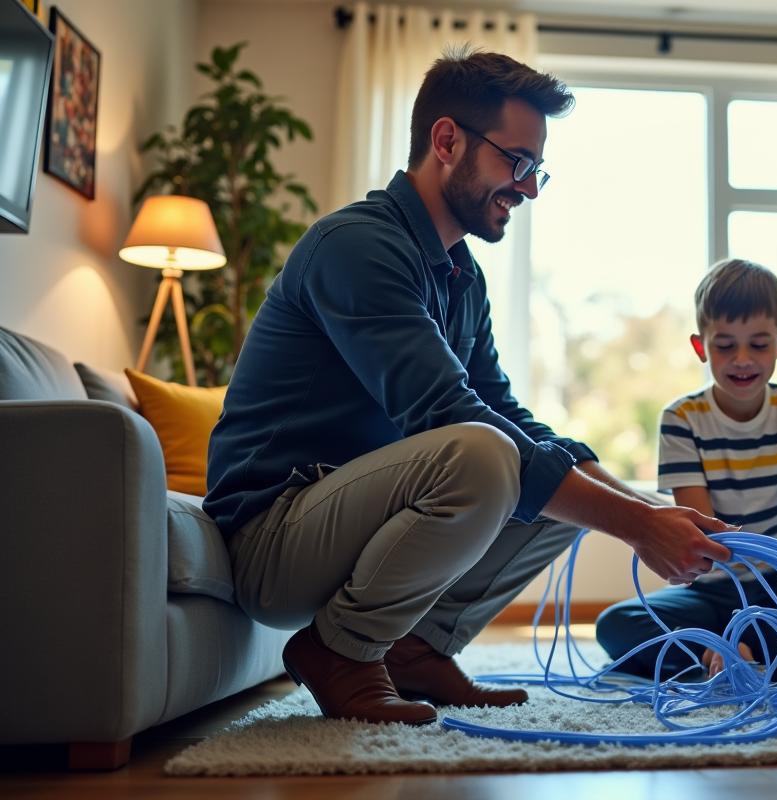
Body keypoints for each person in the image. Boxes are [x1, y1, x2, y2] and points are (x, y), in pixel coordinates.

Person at [203, 49, 732, 727]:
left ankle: (415, 647)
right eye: (517, 163)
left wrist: (650, 512)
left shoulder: (460, 276)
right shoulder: (357, 247)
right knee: (484, 456)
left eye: (537, 169)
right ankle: (341, 650)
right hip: (274, 539)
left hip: (344, 522)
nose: (530, 188)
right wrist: (635, 528)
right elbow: (446, 414)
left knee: (564, 472)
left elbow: (510, 415)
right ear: (447, 140)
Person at [595, 259, 777, 680]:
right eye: (725, 345)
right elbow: (708, 530)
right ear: (700, 347)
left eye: (759, 345)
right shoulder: (681, 418)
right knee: (615, 625)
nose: (742, 359)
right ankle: (731, 649)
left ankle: (729, 650)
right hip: (711, 587)